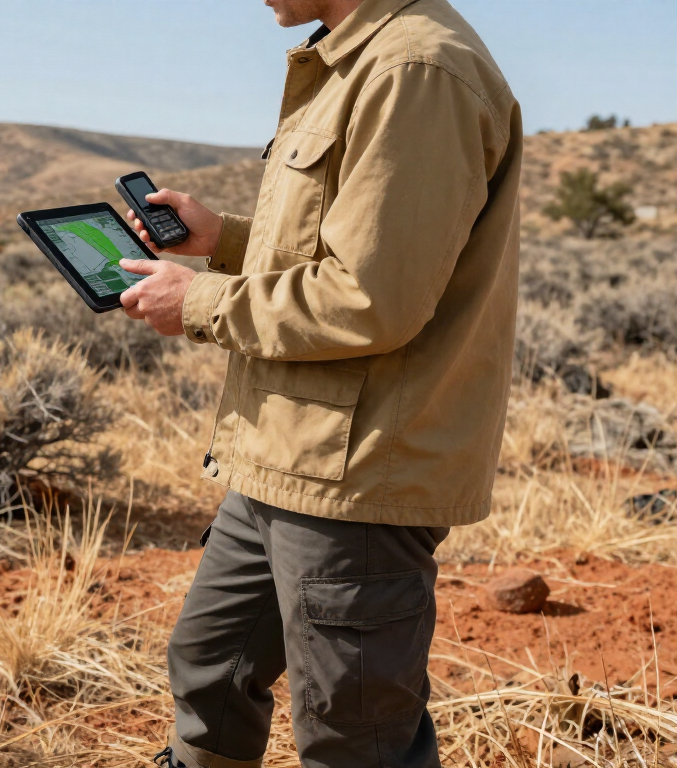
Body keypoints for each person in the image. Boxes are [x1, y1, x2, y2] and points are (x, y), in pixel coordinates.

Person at [117, 0, 521, 766]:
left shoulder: (415, 70)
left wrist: (198, 301)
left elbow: (371, 298)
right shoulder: (355, 57)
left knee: (353, 737)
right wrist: (224, 239)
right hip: (284, 453)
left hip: (357, 474)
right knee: (210, 671)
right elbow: (341, 247)